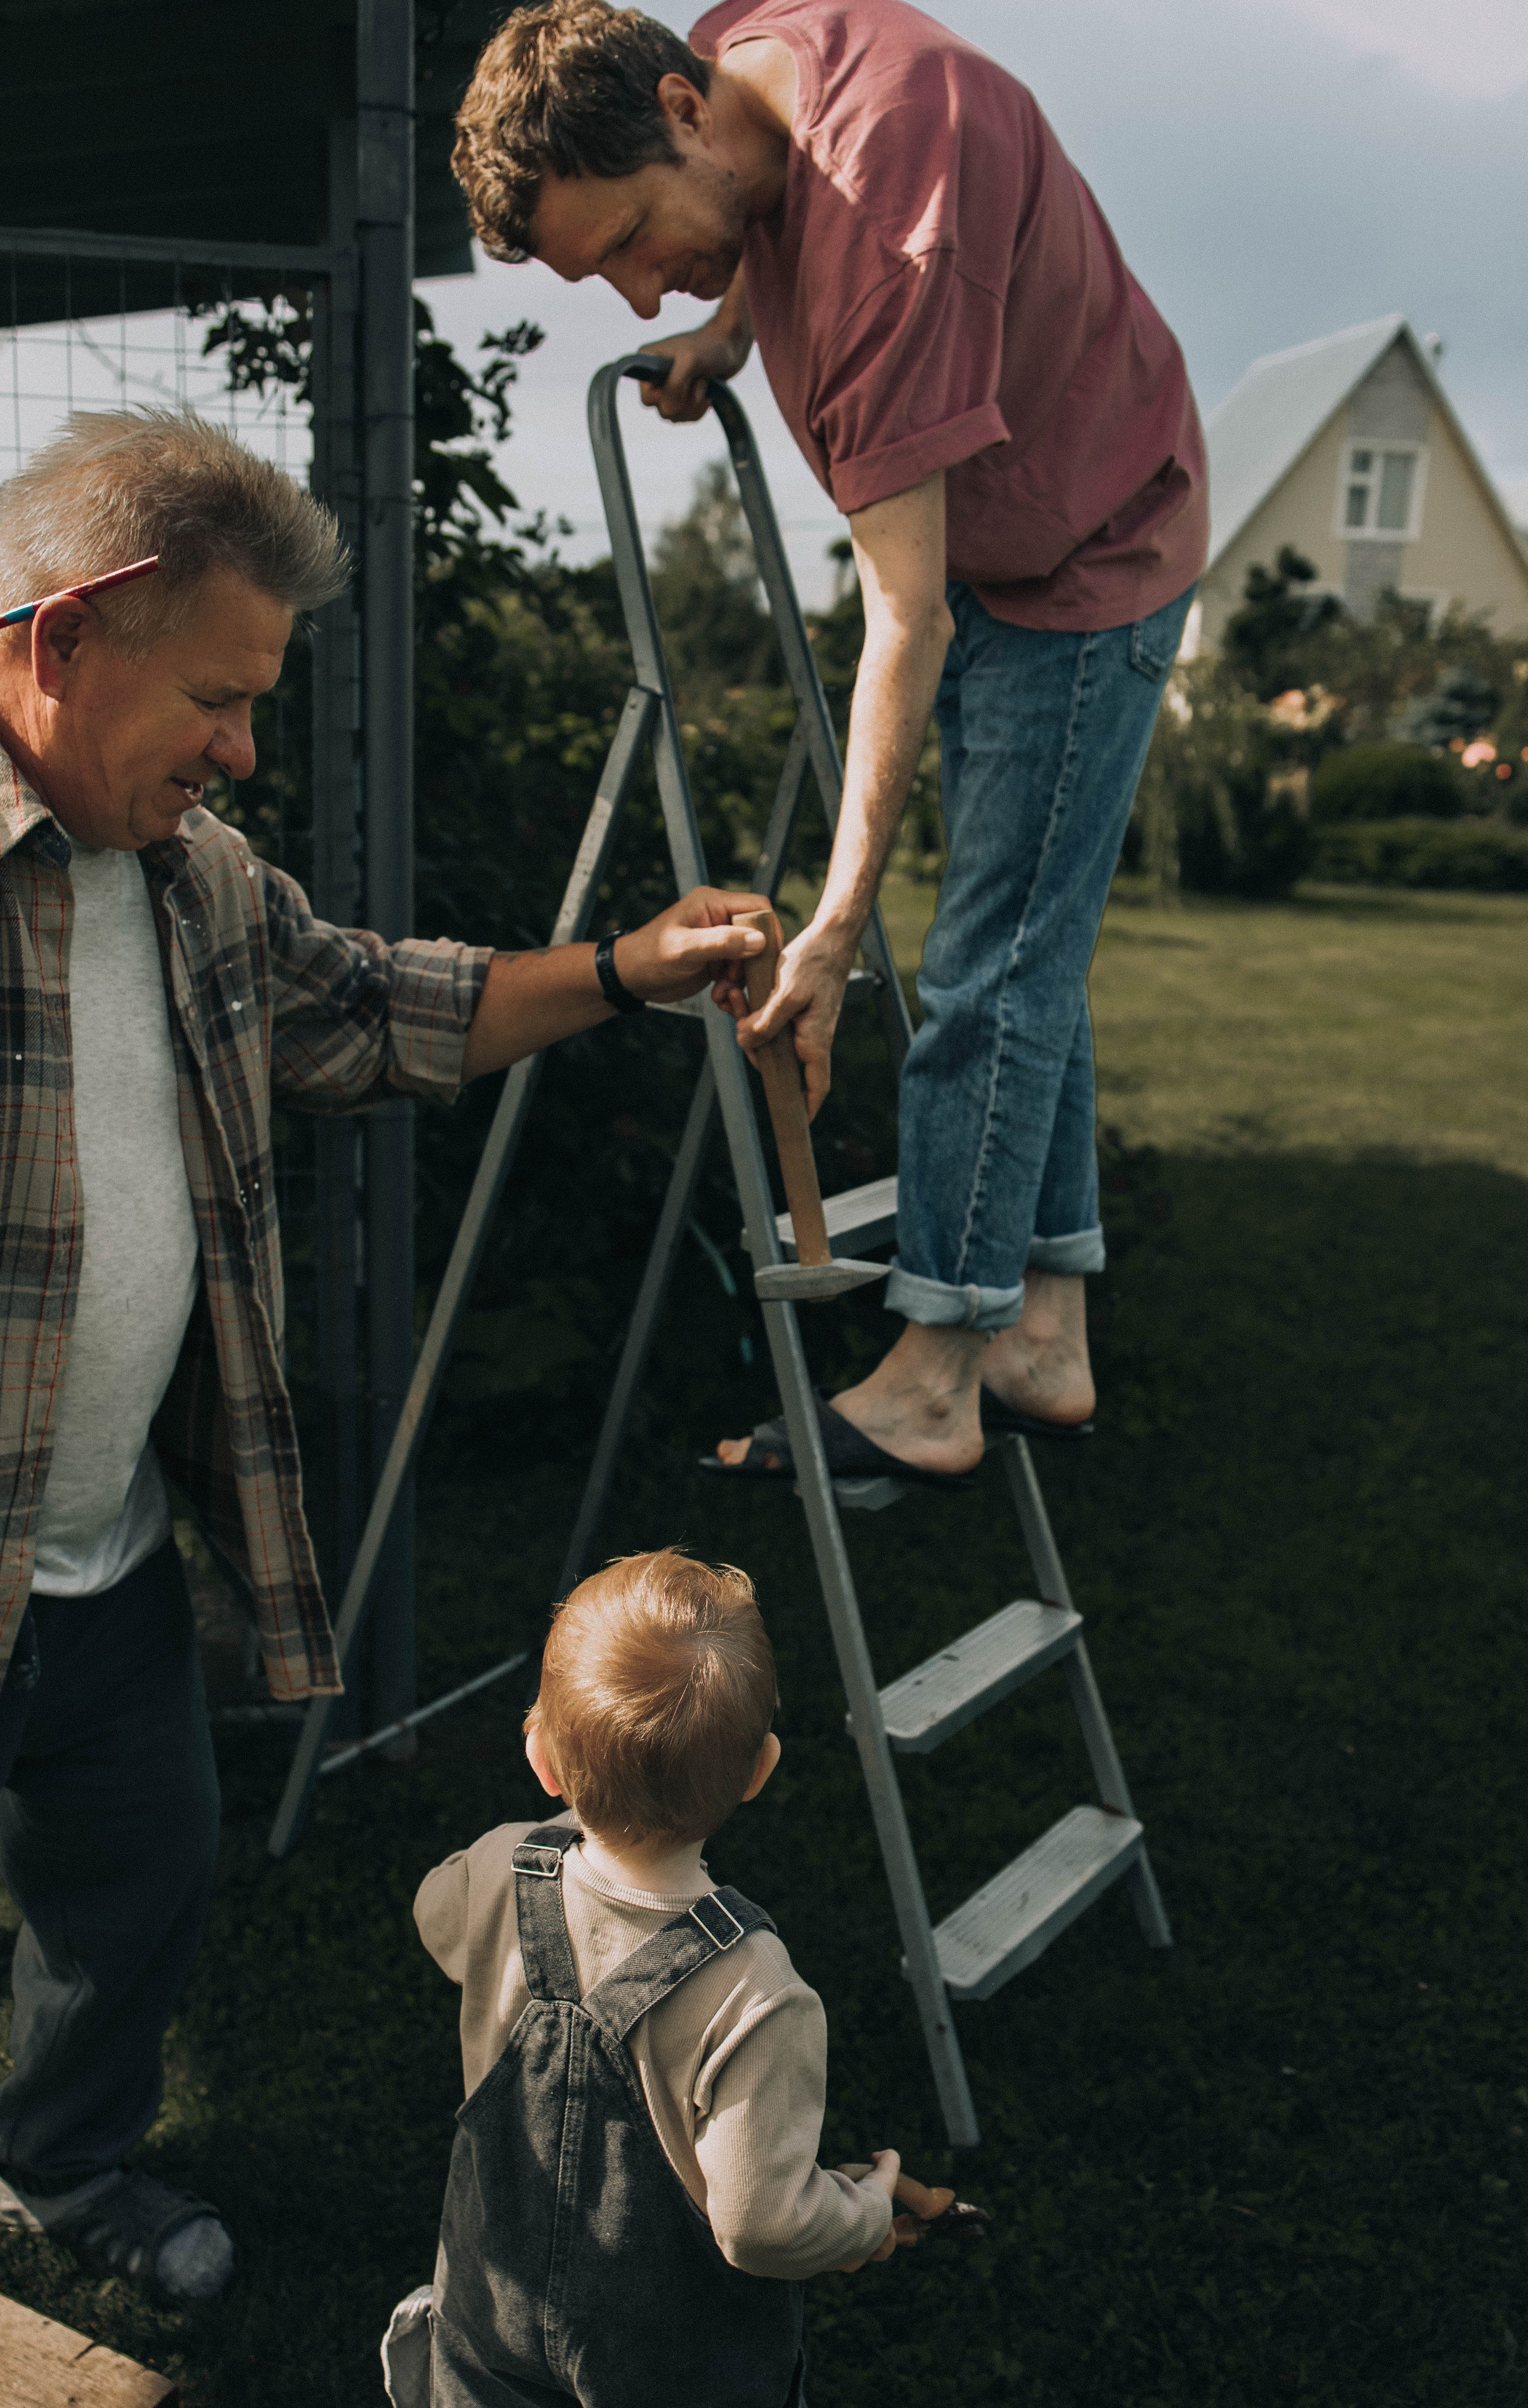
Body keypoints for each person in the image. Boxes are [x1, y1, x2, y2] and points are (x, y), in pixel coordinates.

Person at [0, 408, 771, 2301]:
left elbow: (376, 1005)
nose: (238, 751)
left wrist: (627, 971)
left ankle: (54, 2164)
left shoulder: (190, 872)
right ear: (67, 636)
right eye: (213, 700)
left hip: (108, 1549)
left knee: (136, 1887)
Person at [453, 0, 1209, 1483]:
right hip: (1024, 507)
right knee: (1028, 943)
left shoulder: (890, 248)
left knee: (988, 972)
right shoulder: (746, 46)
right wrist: (730, 324)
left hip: (1087, 545)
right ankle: (1041, 1326)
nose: (629, 296)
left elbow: (902, 619)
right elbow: (760, 192)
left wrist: (838, 922)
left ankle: (937, 1372)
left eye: (623, 246)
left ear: (678, 112)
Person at [387, 1548, 954, 2408]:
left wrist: (575, 1804)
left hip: (491, 2320)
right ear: (760, 1771)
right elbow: (764, 2226)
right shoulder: (755, 1990)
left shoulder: (501, 1867)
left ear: (541, 1757)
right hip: (666, 2381)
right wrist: (861, 2210)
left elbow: (433, 1915)